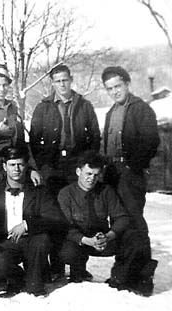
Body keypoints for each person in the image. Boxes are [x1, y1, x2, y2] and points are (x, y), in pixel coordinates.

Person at [29, 64, 101, 281]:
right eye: (57, 81)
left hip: (76, 166)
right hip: (51, 167)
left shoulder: (84, 106)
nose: (62, 84)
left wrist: (87, 165)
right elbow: (33, 141)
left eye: (65, 80)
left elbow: (95, 138)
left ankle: (79, 266)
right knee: (54, 215)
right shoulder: (43, 108)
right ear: (52, 83)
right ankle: (56, 267)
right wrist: (39, 167)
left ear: (71, 80)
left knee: (79, 214)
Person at [58, 151, 156, 296]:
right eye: (88, 174)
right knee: (67, 251)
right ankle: (77, 273)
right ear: (79, 171)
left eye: (96, 175)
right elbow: (65, 226)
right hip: (79, 241)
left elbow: (122, 217)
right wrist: (86, 240)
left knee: (134, 237)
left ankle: (119, 278)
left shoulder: (106, 191)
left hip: (102, 240)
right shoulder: (66, 193)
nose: (92, 179)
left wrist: (109, 235)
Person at [0, 148, 65, 296]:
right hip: (6, 242)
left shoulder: (38, 189)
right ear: (5, 167)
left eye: (20, 164)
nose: (17, 169)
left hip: (31, 240)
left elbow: (55, 218)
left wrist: (27, 225)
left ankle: (34, 282)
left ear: (26, 166)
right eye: (12, 165)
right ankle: (20, 277)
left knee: (41, 241)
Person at [101, 66, 159, 261]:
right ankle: (123, 272)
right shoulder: (111, 112)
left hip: (131, 174)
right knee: (118, 222)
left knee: (134, 222)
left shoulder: (141, 109)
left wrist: (132, 167)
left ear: (127, 84)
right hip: (113, 174)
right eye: (109, 89)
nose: (114, 91)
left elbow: (151, 142)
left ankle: (142, 275)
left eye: (118, 86)